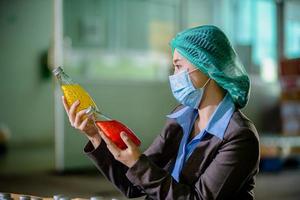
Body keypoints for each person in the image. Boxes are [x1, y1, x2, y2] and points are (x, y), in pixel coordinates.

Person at [62, 25, 260, 200]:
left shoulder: (240, 137)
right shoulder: (182, 117)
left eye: (178, 66)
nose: (174, 76)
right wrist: (95, 135)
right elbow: (133, 185)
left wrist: (138, 164)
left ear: (207, 66)